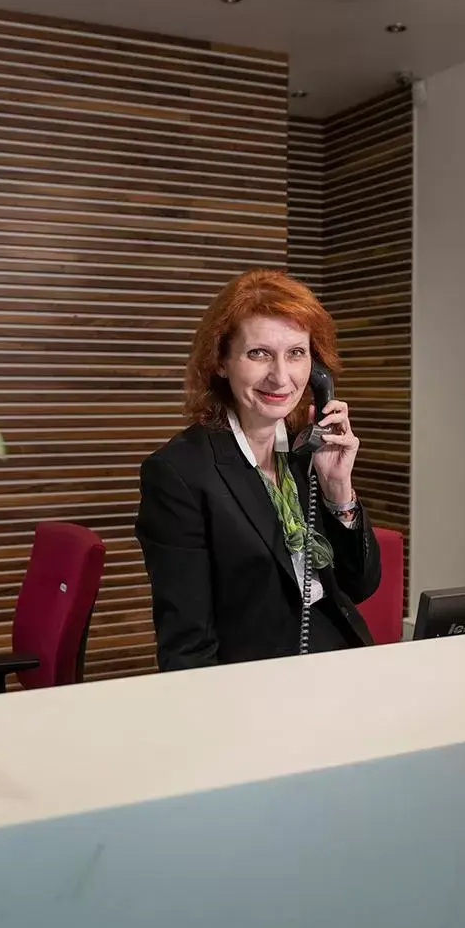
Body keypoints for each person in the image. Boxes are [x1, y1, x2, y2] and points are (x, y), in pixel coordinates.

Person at [136, 269, 381, 671]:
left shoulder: (309, 450)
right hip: (255, 682)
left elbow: (361, 585)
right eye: (259, 353)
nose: (281, 377)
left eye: (296, 353)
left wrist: (339, 488)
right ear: (220, 362)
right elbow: (187, 643)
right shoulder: (179, 474)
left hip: (342, 665)